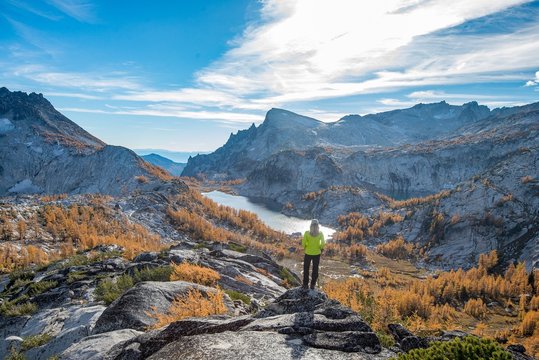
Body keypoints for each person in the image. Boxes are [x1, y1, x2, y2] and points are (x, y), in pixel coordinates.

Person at [302, 219, 325, 289]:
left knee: (306, 268)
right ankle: (312, 285)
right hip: (317, 254)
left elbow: (303, 243)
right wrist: (320, 248)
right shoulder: (320, 233)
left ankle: (305, 284)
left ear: (311, 225)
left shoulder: (307, 233)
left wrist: (306, 247)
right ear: (318, 226)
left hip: (308, 253)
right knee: (315, 269)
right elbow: (323, 243)